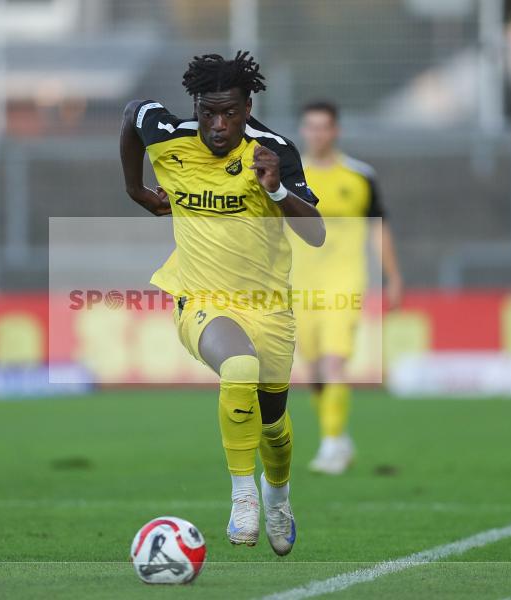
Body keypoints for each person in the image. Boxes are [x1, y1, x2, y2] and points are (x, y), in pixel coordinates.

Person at [119, 51, 325, 555]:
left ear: (247, 107)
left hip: (269, 306)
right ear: (195, 106)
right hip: (201, 298)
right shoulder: (169, 136)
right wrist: (135, 189)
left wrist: (276, 190)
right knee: (238, 366)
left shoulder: (273, 151)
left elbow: (316, 234)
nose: (217, 125)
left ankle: (278, 496)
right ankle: (243, 495)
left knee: (273, 426)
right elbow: (132, 115)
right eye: (208, 112)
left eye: (229, 113)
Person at [292, 100, 404, 475]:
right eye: (310, 126)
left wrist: (393, 276)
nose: (317, 133)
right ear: (303, 130)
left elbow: (378, 228)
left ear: (335, 130)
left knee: (333, 362)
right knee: (313, 371)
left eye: (323, 126)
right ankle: (338, 436)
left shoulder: (359, 176)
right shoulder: (289, 175)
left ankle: (330, 447)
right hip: (299, 284)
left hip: (345, 280)